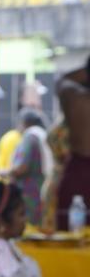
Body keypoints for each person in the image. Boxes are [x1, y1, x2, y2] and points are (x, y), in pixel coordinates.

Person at [55, 56, 90, 230]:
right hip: (78, 169)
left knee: (69, 234)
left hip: (77, 170)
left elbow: (62, 80)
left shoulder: (73, 98)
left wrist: (86, 70)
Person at [8, 107, 52, 225]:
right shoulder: (42, 135)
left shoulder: (30, 137)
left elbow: (22, 167)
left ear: (25, 123)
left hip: (28, 193)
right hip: (40, 189)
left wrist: (5, 172)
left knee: (27, 226)